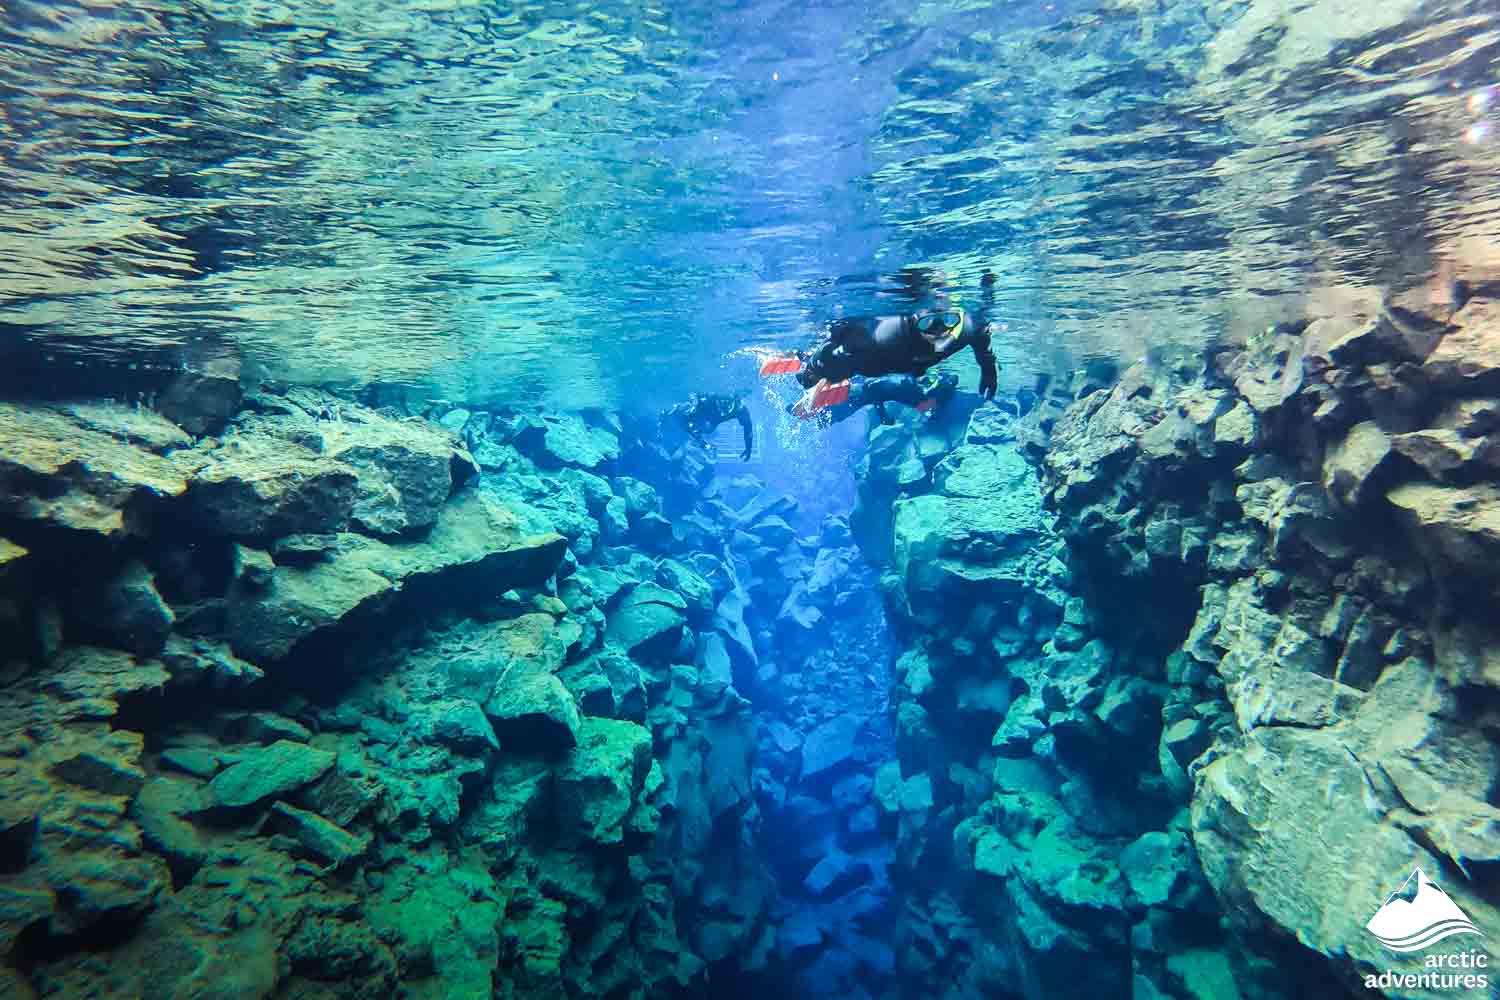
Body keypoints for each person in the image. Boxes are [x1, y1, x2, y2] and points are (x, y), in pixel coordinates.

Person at [763, 272, 999, 412]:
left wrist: (988, 370)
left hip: (897, 368)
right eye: (928, 323)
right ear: (913, 320)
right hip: (866, 363)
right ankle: (799, 357)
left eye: (949, 320)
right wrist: (813, 374)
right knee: (818, 372)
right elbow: (833, 352)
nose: (940, 331)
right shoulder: (880, 337)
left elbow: (982, 336)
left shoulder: (968, 328)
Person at [794, 371, 958, 425]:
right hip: (856, 395)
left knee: (829, 418)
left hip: (857, 396)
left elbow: (873, 387)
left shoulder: (914, 392)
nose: (926, 411)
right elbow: (872, 386)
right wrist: (882, 415)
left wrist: (883, 414)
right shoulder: (911, 389)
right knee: (828, 417)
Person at [662, 390, 754, 460]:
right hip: (700, 416)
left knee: (707, 429)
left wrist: (748, 447)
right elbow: (687, 424)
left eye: (726, 409)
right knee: (698, 425)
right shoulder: (706, 401)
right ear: (716, 402)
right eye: (721, 407)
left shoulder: (740, 409)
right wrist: (701, 443)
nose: (723, 413)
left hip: (707, 420)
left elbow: (748, 428)